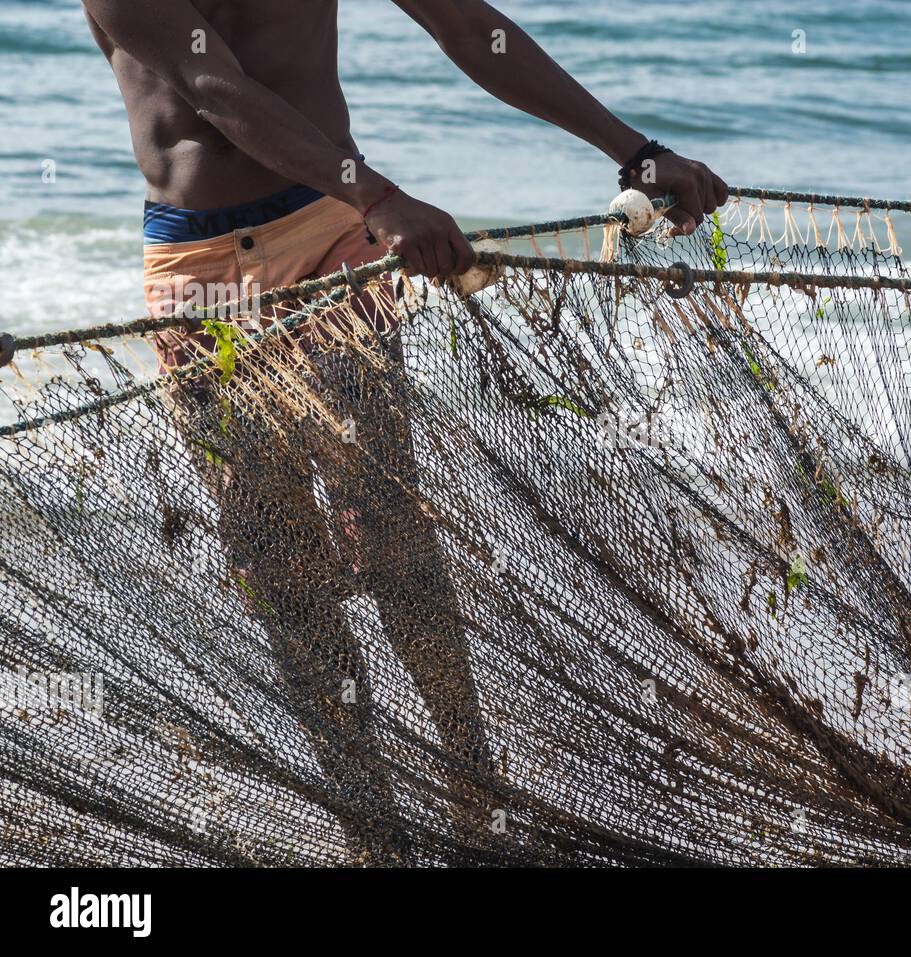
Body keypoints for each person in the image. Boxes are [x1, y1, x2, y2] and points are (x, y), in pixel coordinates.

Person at [81, 0, 728, 864]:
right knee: (281, 563)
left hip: (331, 230)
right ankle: (370, 831)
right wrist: (381, 195)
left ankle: (475, 805)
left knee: (389, 528)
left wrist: (635, 152)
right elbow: (211, 85)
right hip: (200, 272)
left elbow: (468, 27)